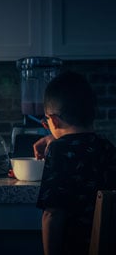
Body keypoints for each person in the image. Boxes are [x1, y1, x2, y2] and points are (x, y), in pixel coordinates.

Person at [33, 71, 116, 255]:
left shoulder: (58, 151)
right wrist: (52, 138)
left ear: (53, 120)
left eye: (46, 121)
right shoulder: (107, 147)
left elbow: (51, 214)